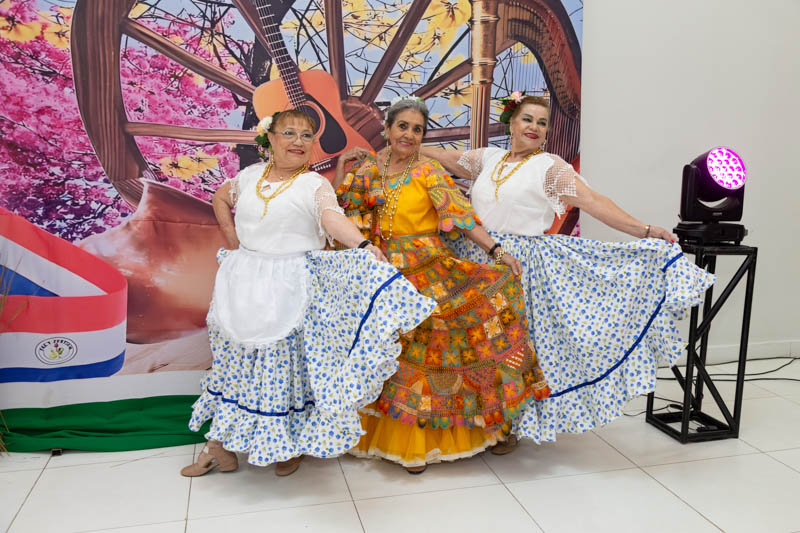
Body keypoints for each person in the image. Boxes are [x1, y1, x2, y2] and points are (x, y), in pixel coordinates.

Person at [420, 94, 715, 450]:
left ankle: (507, 425)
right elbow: (447, 158)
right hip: (474, 255)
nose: (534, 128)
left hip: (517, 264)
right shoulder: (489, 159)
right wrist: (404, 145)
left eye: (542, 123)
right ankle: (467, 419)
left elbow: (593, 202)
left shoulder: (549, 167)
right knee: (466, 343)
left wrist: (645, 230)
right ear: (511, 123)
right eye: (527, 119)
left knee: (509, 345)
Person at [180, 109, 435, 477]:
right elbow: (221, 199)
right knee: (232, 370)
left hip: (290, 285)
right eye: (289, 133)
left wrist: (362, 245)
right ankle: (218, 448)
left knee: (281, 374)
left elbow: (332, 219)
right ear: (270, 138)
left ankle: (286, 447)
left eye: (306, 135)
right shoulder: (248, 176)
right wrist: (234, 243)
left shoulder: (314, 184)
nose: (298, 141)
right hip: (241, 283)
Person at [333, 96, 550, 473]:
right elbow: (342, 214)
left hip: (427, 266)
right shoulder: (367, 169)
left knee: (427, 343)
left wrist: (497, 252)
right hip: (379, 268)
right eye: (403, 126)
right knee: (383, 346)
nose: (409, 135)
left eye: (417, 129)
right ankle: (381, 434)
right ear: (387, 129)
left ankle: (423, 443)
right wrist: (340, 167)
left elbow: (461, 217)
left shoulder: (428, 172)